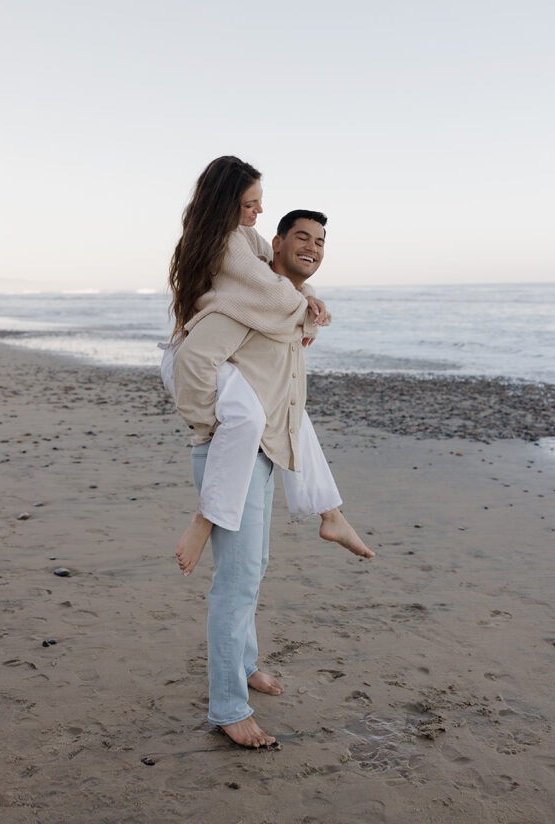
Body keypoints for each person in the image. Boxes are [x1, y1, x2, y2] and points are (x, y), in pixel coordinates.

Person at [173, 209, 373, 747]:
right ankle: (227, 708)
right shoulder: (245, 304)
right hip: (229, 453)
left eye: (321, 241)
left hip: (260, 452)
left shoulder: (281, 307)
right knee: (235, 586)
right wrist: (204, 421)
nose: (313, 247)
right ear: (275, 245)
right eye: (301, 238)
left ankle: (244, 666)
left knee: (252, 569)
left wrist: (306, 311)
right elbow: (189, 357)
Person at [166, 156, 372, 575]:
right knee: (246, 416)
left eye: (260, 202)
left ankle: (330, 513)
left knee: (290, 411)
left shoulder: (245, 236)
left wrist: (308, 292)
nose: (258, 212)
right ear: (225, 203)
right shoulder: (226, 241)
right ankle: (204, 519)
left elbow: (281, 274)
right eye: (249, 204)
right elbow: (274, 292)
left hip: (206, 349)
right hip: (195, 350)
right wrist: (205, 424)